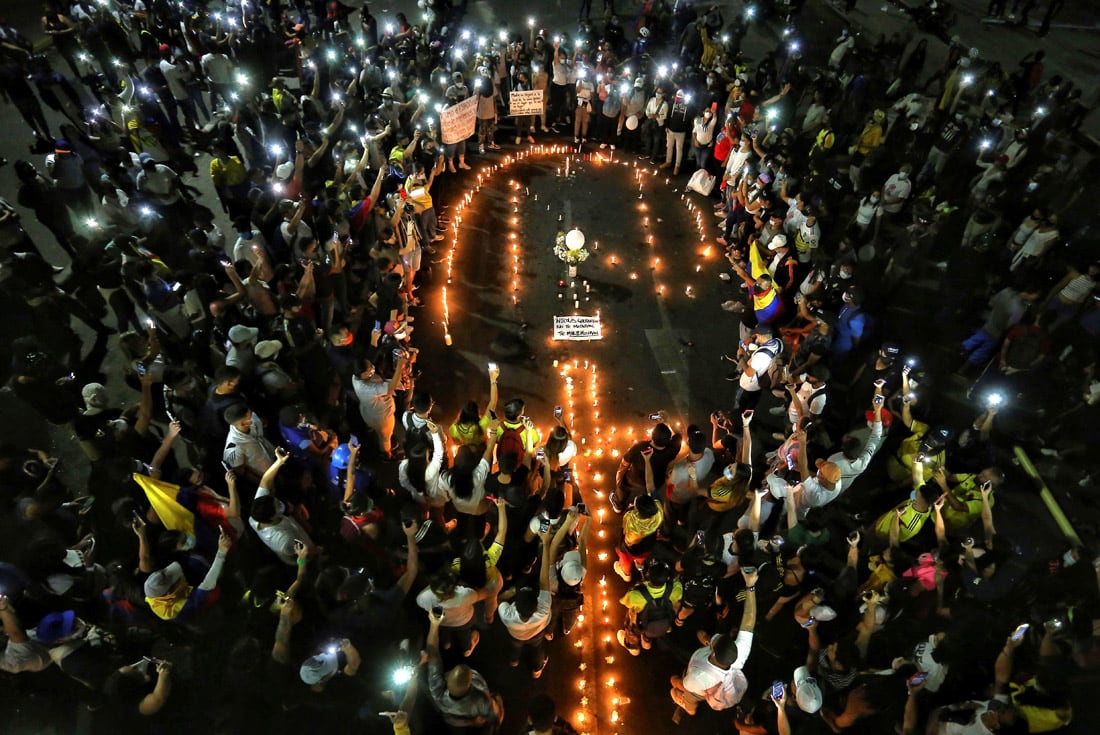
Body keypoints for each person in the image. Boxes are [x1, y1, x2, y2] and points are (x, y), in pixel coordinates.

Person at [669, 566, 758, 714]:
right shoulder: (740, 653)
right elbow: (749, 620)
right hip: (705, 679)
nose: (710, 640)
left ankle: (687, 706)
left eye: (712, 642)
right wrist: (750, 586)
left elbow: (684, 685)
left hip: (699, 690)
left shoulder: (698, 679)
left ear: (713, 652)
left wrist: (674, 681)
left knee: (690, 701)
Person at [423, 607, 504, 732]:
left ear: (447, 680)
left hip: (452, 717)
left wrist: (434, 625)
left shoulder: (438, 693)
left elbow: (432, 652)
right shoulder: (482, 700)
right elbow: (496, 718)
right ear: (471, 684)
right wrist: (498, 699)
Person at [616, 558, 682, 656]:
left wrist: (639, 585)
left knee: (632, 614)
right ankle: (646, 641)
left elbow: (624, 602)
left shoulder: (636, 594)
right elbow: (678, 597)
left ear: (648, 575)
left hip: (643, 624)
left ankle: (632, 644)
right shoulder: (676, 588)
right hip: (664, 623)